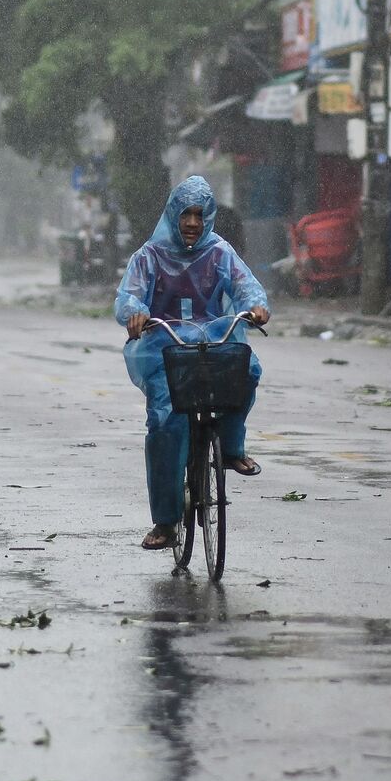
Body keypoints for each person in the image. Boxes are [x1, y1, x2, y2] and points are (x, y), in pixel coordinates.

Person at [115, 176, 271, 550]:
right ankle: (166, 523)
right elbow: (129, 296)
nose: (192, 222)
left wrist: (257, 306)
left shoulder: (220, 252)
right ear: (173, 215)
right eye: (186, 214)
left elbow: (245, 285)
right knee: (167, 423)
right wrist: (135, 314)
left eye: (200, 215)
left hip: (213, 341)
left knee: (246, 370)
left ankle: (231, 449)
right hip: (165, 347)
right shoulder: (149, 256)